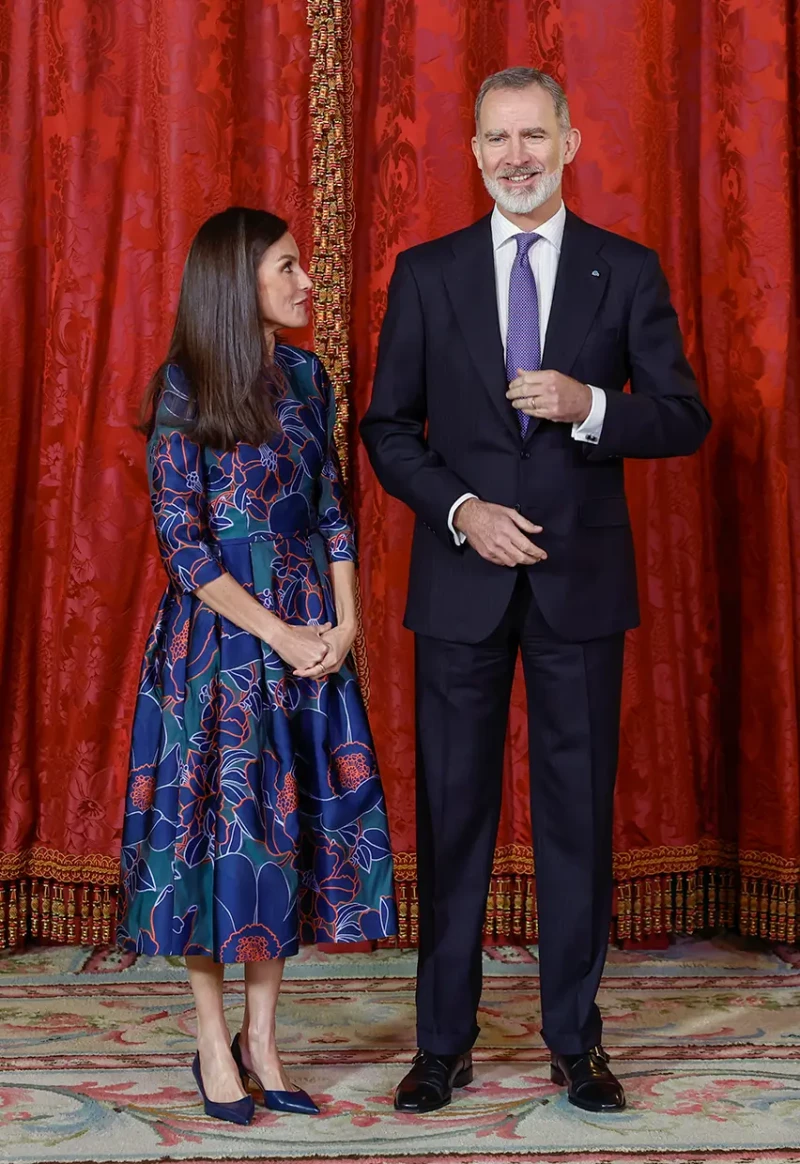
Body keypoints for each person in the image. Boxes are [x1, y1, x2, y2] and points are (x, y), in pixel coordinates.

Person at [361, 67, 711, 1116]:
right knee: (454, 817)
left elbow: (683, 417)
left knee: (574, 822)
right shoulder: (424, 273)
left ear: (567, 141)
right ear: (472, 151)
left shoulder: (626, 269)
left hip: (579, 590)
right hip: (460, 583)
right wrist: (461, 511)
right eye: (495, 137)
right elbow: (386, 429)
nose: (514, 154)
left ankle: (575, 1045)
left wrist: (590, 404)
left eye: (532, 134)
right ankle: (441, 1046)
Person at [117, 207, 397, 1124]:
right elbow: (185, 550)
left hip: (310, 637)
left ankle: (264, 1040)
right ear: (237, 280)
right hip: (219, 649)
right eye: (287, 266)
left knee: (281, 840)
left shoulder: (308, 377)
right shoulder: (182, 387)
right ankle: (211, 1040)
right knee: (208, 840)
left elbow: (332, 515)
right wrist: (279, 632)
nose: (306, 281)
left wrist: (347, 623)